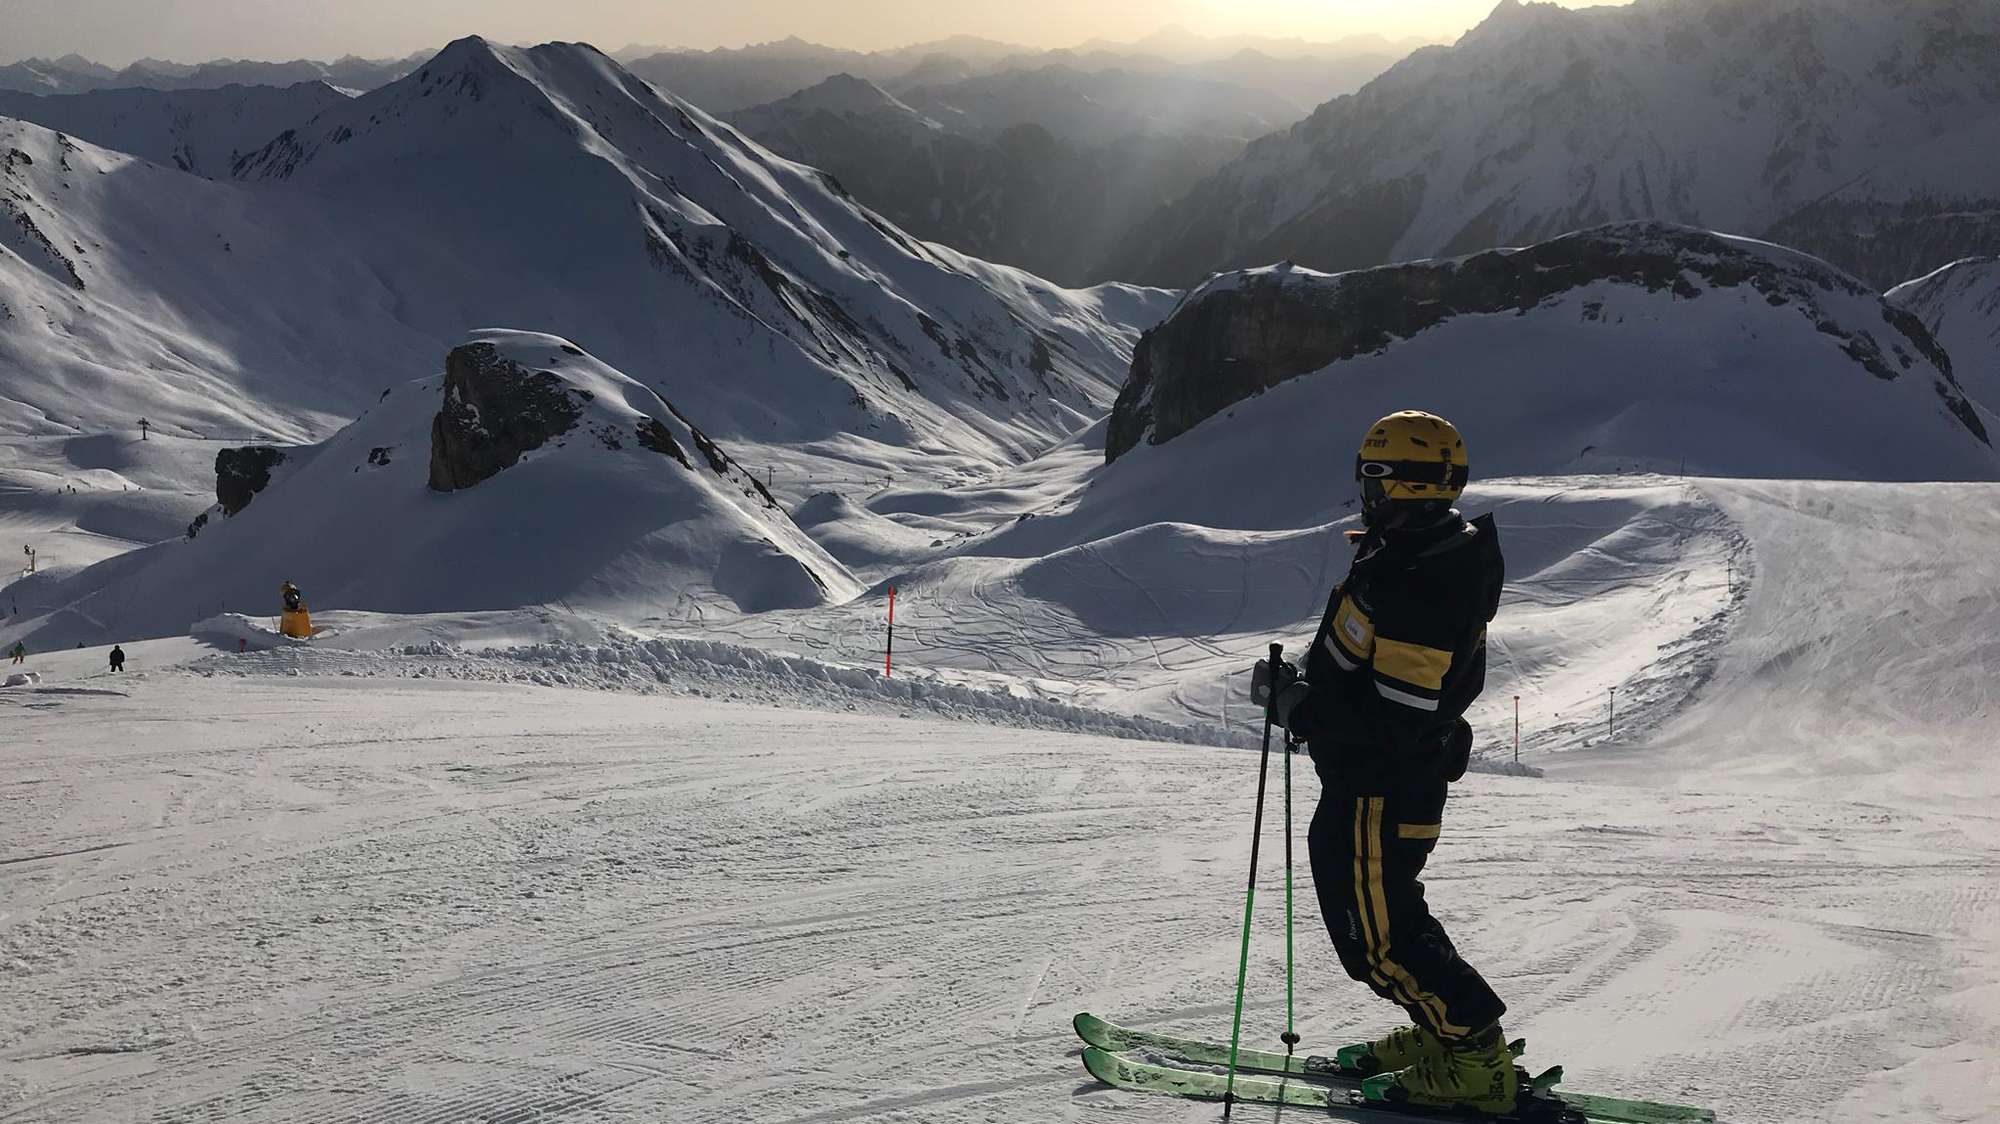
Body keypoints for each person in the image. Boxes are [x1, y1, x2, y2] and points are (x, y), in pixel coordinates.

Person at [1252, 411, 1510, 1113]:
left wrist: (1299, 709)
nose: (1363, 490)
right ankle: (1443, 1029)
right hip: (1371, 781)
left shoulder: (1422, 581)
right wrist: (1304, 691)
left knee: (1378, 939)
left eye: (1371, 475)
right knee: (1389, 915)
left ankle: (1474, 1059)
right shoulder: (1409, 553)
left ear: (1400, 483)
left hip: (1382, 785)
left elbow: (1398, 719)